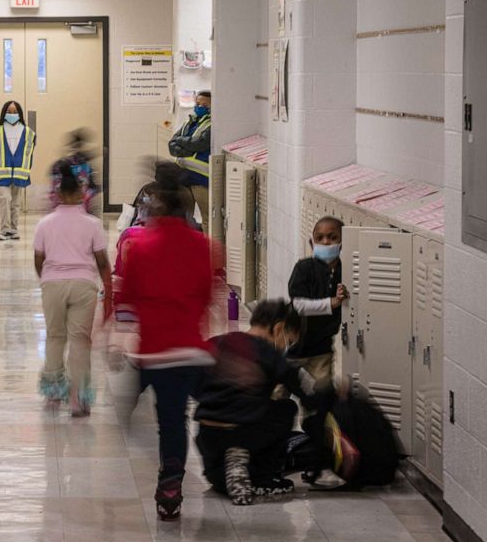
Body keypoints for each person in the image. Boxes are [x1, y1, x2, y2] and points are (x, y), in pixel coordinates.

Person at [118, 161, 215, 522]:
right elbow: (207, 296)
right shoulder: (203, 246)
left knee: (164, 418)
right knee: (176, 421)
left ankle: (169, 479)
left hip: (155, 352)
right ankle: (171, 485)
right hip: (189, 350)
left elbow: (126, 296)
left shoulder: (140, 247)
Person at [194, 299, 327, 506]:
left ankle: (232, 472)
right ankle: (265, 479)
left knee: (220, 481)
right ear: (279, 328)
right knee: (285, 408)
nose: (286, 347)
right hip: (245, 433)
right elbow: (304, 394)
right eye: (288, 341)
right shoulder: (269, 354)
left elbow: (193, 385)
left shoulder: (216, 343)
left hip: (208, 435)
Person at [34, 160, 113, 416]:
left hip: (52, 284)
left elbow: (39, 259)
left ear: (57, 195)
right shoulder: (92, 223)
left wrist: (47, 279)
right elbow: (102, 261)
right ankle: (79, 399)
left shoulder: (44, 224)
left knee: (55, 337)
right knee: (80, 341)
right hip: (84, 286)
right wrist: (107, 288)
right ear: (81, 194)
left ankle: (54, 393)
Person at [287, 216, 348, 392]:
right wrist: (332, 303)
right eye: (319, 238)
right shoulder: (304, 268)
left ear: (343, 242)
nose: (326, 242)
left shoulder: (346, 272)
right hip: (296, 345)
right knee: (278, 391)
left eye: (333, 237)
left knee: (322, 394)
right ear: (312, 242)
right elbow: (299, 305)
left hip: (322, 348)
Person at [0, 100, 35, 240]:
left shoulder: (28, 132)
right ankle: (4, 229)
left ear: (20, 113)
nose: (12, 114)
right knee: (5, 199)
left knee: (16, 203)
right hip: (3, 173)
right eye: (9, 112)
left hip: (19, 174)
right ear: (4, 113)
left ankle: (14, 229)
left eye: (15, 111)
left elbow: (29, 153)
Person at [168, 90, 212, 230]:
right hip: (183, 177)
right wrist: (189, 146)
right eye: (198, 103)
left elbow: (200, 144)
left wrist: (183, 143)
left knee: (208, 220)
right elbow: (172, 144)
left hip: (201, 180)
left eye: (205, 105)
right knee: (184, 219)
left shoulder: (213, 124)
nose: (200, 107)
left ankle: (207, 251)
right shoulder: (189, 122)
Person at [48, 128, 101, 215]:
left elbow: (53, 192)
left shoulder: (59, 165)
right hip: (78, 210)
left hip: (66, 211)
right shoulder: (83, 166)